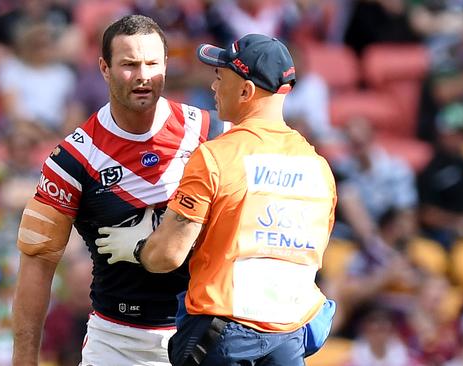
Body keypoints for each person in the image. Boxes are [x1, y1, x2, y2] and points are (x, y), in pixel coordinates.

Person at [96, 34, 337, 365]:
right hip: (289, 338)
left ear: (245, 91)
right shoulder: (319, 168)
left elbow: (168, 255)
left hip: (225, 339)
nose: (212, 86)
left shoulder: (215, 157)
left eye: (220, 77)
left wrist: (137, 247)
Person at [11, 15, 226, 366]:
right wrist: (23, 360)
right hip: (117, 344)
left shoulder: (212, 132)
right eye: (129, 64)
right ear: (104, 68)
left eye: (152, 63)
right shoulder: (74, 157)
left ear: (166, 66)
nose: (143, 75)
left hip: (205, 335)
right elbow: (37, 261)